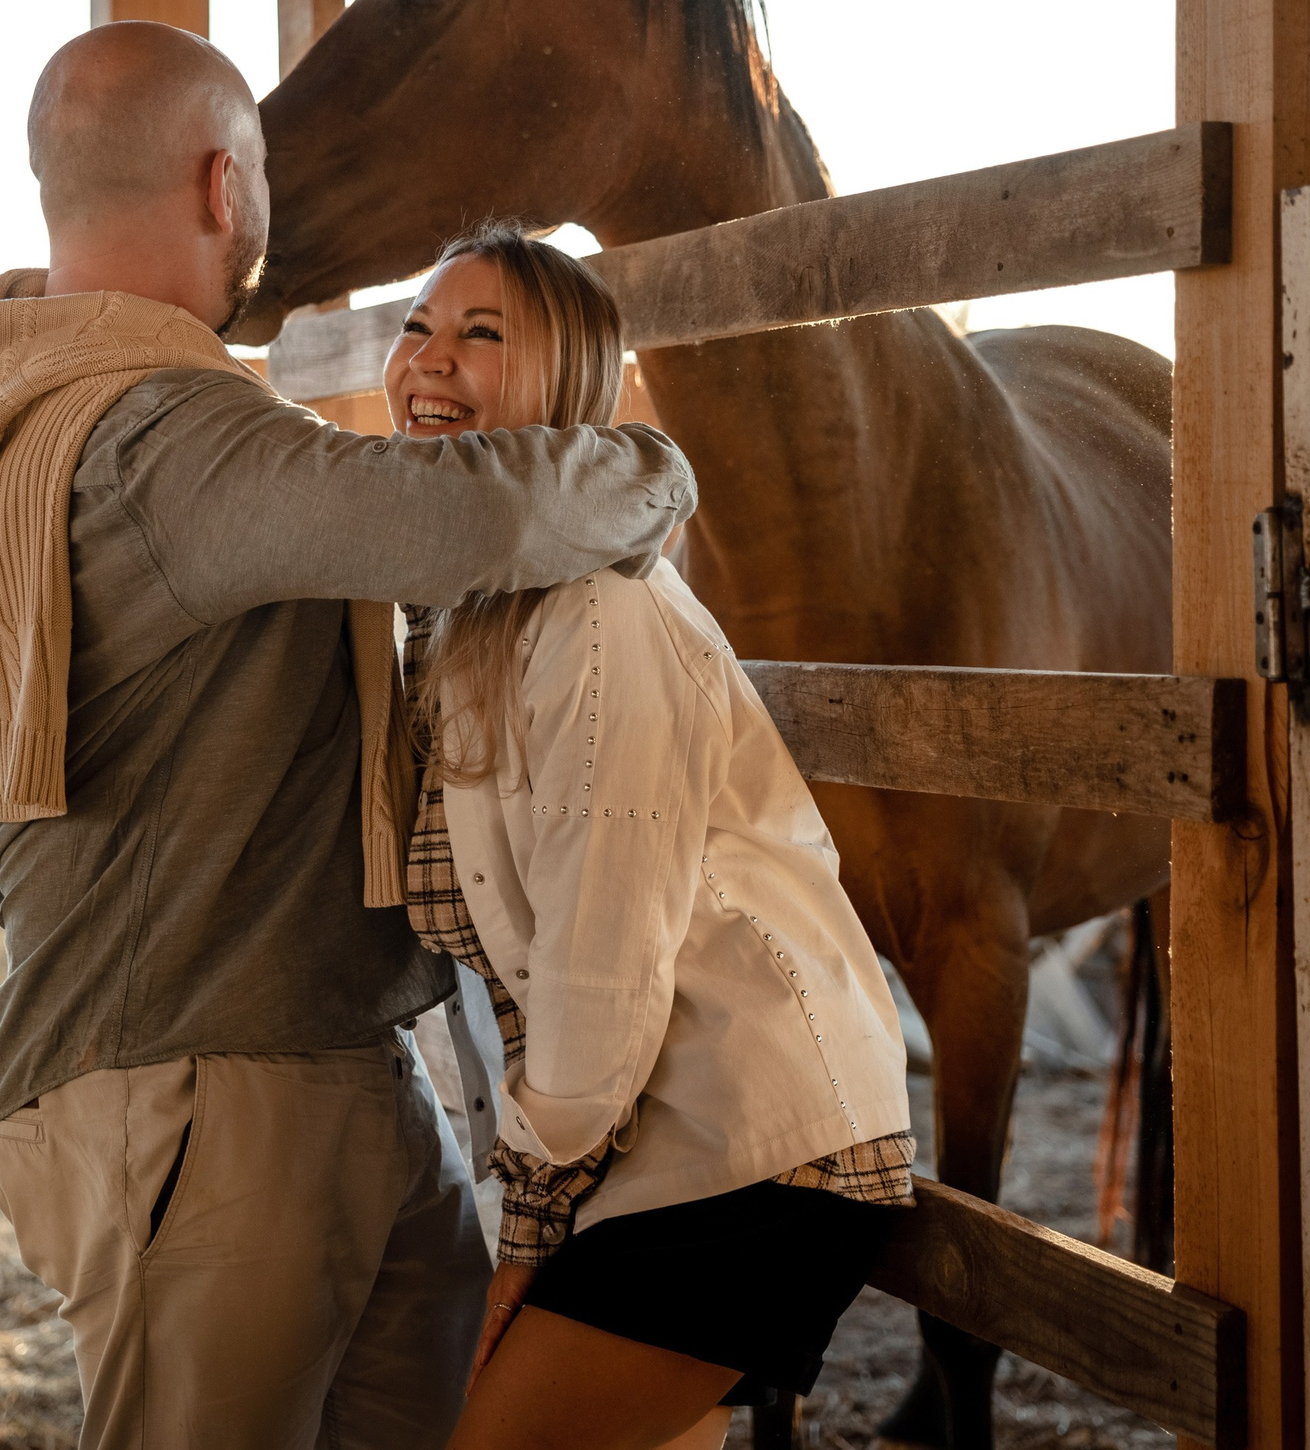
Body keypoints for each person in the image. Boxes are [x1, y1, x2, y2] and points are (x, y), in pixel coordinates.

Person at [0, 24, 699, 1450]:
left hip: (317, 1063)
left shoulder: (33, 401)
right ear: (221, 189)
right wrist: (650, 453)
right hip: (203, 1090)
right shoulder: (157, 436)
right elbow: (472, 515)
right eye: (261, 168)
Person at [380, 223, 916, 1450]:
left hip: (753, 1153)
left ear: (569, 383)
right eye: (417, 326)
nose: (429, 360)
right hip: (631, 1153)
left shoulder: (599, 617)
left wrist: (526, 1226)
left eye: (480, 334)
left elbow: (599, 963)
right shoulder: (470, 614)